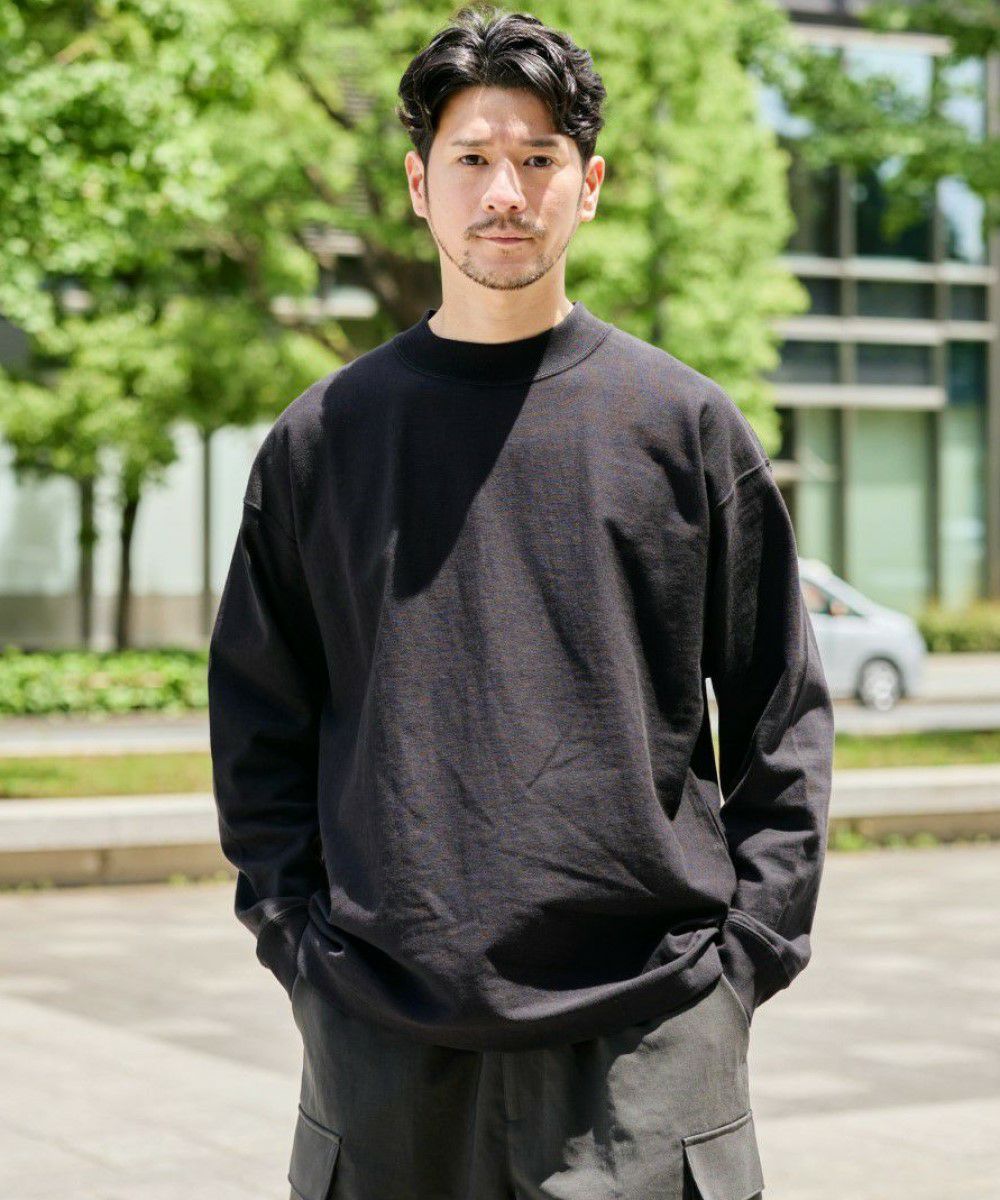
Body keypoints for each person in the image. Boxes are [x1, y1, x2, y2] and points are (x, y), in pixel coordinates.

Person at [207, 7, 835, 1199]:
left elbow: (781, 721)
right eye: (473, 158)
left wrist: (742, 962)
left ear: (587, 187)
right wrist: (299, 947)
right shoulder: (323, 442)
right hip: (382, 1037)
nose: (505, 192)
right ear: (419, 184)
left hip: (650, 1044)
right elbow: (257, 726)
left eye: (539, 158)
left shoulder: (684, 428)